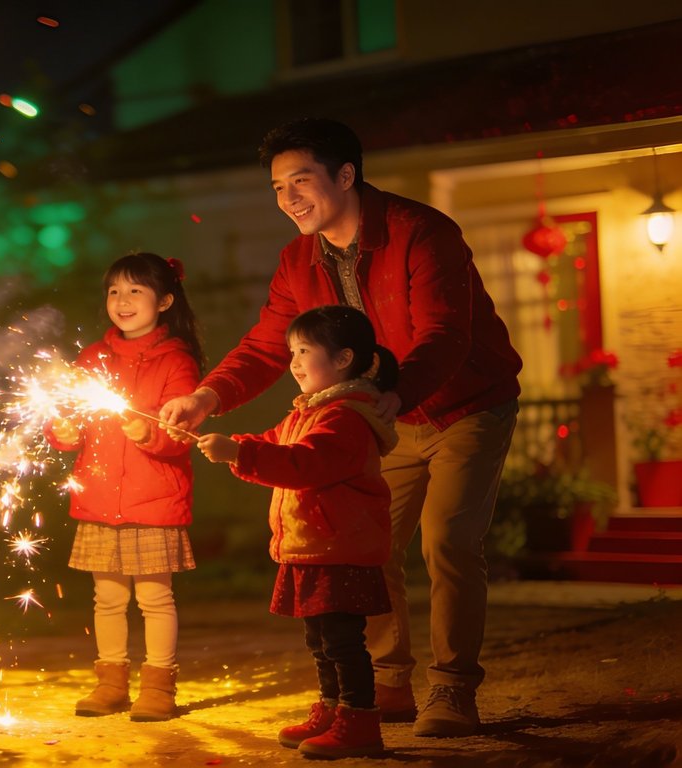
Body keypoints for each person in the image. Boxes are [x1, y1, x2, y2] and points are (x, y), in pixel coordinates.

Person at [160, 118, 521, 737]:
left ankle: (454, 688)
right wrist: (207, 395)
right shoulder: (298, 259)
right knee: (367, 549)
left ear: (346, 175)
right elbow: (269, 342)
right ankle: (385, 684)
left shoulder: (421, 232)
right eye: (277, 187)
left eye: (300, 181)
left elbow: (444, 332)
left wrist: (399, 390)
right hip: (374, 418)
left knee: (449, 542)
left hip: (463, 404)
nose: (288, 198)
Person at [198, 305, 399, 759]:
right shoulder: (308, 412)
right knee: (320, 639)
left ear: (343, 358)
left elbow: (304, 464)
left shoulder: (345, 418)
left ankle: (359, 719)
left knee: (343, 641)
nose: (293, 362)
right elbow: (274, 444)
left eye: (304, 350)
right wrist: (235, 445)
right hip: (312, 547)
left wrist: (237, 454)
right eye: (292, 351)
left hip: (339, 546)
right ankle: (332, 708)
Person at [48, 252, 202, 722]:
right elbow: (69, 419)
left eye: (136, 290)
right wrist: (64, 432)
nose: (123, 300)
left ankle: (159, 686)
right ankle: (111, 683)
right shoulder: (92, 357)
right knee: (107, 598)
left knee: (155, 598)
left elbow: (183, 434)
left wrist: (150, 434)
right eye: (115, 290)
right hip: (98, 501)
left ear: (165, 300)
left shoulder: (177, 361)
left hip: (152, 502)